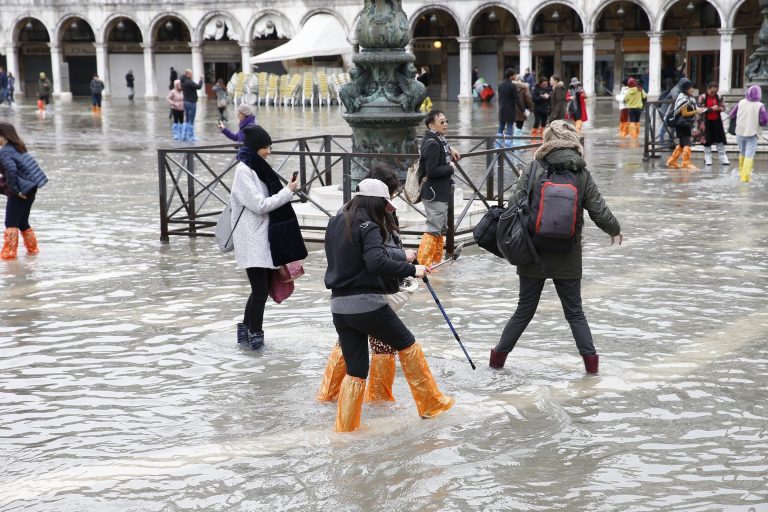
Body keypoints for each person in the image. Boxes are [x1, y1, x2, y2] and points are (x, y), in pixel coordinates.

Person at [489, 120, 622, 374]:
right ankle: (591, 369)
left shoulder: (533, 167)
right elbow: (598, 209)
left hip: (532, 251)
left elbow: (513, 204)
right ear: (574, 140)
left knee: (524, 310)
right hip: (568, 253)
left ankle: (496, 362)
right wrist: (614, 229)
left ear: (547, 140)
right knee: (574, 313)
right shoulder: (581, 172)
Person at [324, 177, 454, 432]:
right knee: (408, 345)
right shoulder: (368, 225)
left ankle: (346, 429)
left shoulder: (337, 221)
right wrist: (412, 269)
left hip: (339, 307)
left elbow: (361, 257)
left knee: (357, 371)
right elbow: (376, 262)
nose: (386, 210)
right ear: (376, 202)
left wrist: (401, 260)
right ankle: (431, 404)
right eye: (385, 204)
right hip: (368, 305)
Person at [317, 163, 418, 403]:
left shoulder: (341, 216)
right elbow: (378, 256)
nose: (391, 200)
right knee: (391, 344)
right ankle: (381, 398)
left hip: (342, 300)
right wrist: (408, 263)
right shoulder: (374, 216)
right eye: (391, 194)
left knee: (353, 356)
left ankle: (331, 398)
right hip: (372, 292)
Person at [230, 125, 306, 348]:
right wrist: (287, 192)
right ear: (255, 148)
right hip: (251, 241)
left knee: (259, 290)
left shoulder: (257, 169)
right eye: (265, 147)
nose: (269, 151)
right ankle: (256, 341)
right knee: (260, 291)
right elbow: (259, 205)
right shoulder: (244, 171)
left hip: (262, 239)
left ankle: (245, 337)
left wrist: (285, 191)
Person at [417, 109, 460, 267]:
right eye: (442, 122)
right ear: (431, 125)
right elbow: (432, 171)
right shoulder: (433, 144)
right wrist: (451, 167)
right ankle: (422, 265)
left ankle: (435, 263)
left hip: (439, 192)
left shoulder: (437, 140)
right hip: (434, 193)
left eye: (446, 121)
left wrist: (450, 149)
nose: (446, 124)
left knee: (441, 228)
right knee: (434, 229)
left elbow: (442, 148)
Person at [0, 123, 48, 260]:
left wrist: (15, 191)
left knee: (11, 224)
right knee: (22, 223)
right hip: (31, 189)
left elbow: (11, 171)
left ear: (3, 136)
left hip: (20, 191)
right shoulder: (19, 148)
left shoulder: (4, 152)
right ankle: (32, 250)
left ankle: (8, 256)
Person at [729, 85, 768, 182]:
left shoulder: (741, 102)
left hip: (740, 132)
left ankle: (741, 172)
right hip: (752, 133)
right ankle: (745, 177)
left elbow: (731, 114)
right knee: (749, 155)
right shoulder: (760, 105)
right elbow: (764, 120)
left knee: (742, 152)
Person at [666, 78, 705, 170]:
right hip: (681, 124)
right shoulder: (683, 98)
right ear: (686, 89)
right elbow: (684, 113)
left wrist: (700, 110)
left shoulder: (690, 98)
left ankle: (672, 161)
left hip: (686, 124)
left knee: (682, 144)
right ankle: (686, 163)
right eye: (691, 87)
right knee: (687, 143)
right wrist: (696, 111)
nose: (693, 89)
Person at [697, 82, 729, 166]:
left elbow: (723, 107)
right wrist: (710, 109)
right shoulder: (702, 97)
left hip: (717, 121)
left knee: (720, 139)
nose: (713, 93)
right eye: (712, 92)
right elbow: (699, 109)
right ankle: (708, 158)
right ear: (708, 89)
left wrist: (718, 108)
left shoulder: (719, 97)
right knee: (707, 140)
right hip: (706, 122)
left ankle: (723, 157)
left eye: (715, 92)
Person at [179, 69, 204, 142]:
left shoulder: (183, 81)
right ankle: (190, 136)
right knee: (191, 120)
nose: (192, 75)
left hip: (186, 102)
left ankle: (184, 136)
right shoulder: (188, 81)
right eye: (191, 74)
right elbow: (198, 87)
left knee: (186, 119)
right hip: (191, 102)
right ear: (187, 74)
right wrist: (201, 79)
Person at [497, 68, 519, 147]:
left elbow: (499, 98)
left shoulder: (500, 85)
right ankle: (508, 145)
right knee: (510, 127)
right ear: (511, 76)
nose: (515, 76)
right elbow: (517, 99)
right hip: (510, 110)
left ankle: (498, 144)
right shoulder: (512, 86)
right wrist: (523, 110)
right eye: (514, 75)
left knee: (501, 127)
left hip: (502, 109)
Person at [514, 71, 534, 141]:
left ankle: (514, 140)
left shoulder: (513, 87)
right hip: (522, 109)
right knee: (519, 125)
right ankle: (517, 141)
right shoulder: (525, 88)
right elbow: (528, 99)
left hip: (513, 109)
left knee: (516, 125)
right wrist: (531, 108)